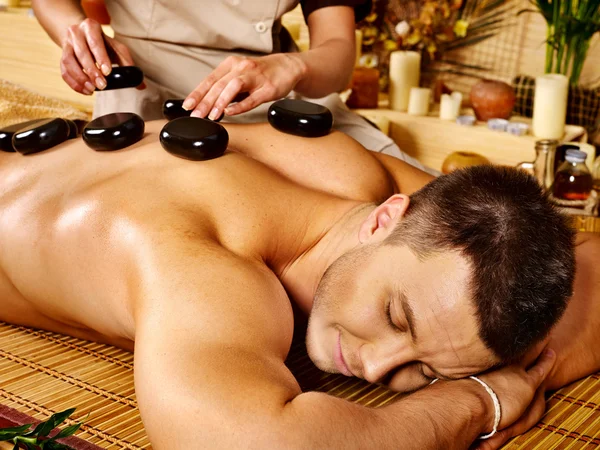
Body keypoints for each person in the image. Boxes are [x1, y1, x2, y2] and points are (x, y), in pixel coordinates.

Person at [2, 120, 596, 449]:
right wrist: (475, 400)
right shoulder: (206, 268)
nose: (376, 367)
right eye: (395, 318)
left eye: (429, 371)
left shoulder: (352, 172)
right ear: (386, 218)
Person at [31, 0, 435, 172]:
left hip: (273, 86)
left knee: (426, 195)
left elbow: (338, 54)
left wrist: (292, 66)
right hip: (142, 86)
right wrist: (75, 34)